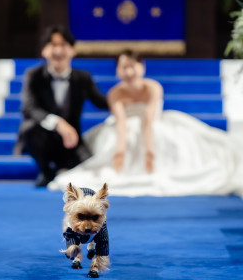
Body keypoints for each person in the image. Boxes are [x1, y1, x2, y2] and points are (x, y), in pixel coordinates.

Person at [49, 50, 243, 197]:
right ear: (117, 71)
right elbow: (121, 122)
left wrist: (150, 152)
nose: (129, 71)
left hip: (152, 125)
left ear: (142, 67)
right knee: (115, 138)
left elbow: (149, 121)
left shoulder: (153, 88)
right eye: (123, 67)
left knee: (169, 138)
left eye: (132, 65)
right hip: (123, 129)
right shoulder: (115, 93)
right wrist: (120, 151)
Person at [14, 25, 108, 186]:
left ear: (72, 50)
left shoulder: (82, 78)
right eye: (53, 45)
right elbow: (28, 108)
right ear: (44, 51)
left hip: (71, 141)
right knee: (29, 128)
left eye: (63, 45)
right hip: (44, 139)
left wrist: (126, 97)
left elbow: (101, 102)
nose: (58, 50)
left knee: (89, 170)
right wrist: (58, 123)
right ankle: (45, 170)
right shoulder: (33, 76)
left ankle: (65, 166)